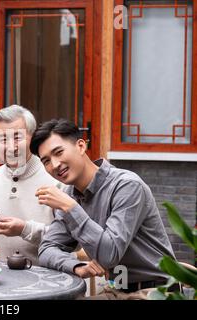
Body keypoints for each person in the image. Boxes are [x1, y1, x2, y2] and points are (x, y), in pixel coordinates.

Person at [30, 118, 176, 300]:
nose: (55, 164)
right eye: (46, 161)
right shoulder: (69, 194)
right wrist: (76, 267)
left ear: (81, 146)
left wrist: (71, 207)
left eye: (58, 152)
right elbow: (46, 250)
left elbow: (109, 255)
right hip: (116, 289)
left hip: (155, 292)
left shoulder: (127, 186)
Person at [0, 105, 61, 265]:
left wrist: (24, 229)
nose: (11, 147)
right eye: (3, 139)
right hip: (3, 281)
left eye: (18, 138)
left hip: (52, 277)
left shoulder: (56, 177)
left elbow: (69, 240)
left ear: (32, 137)